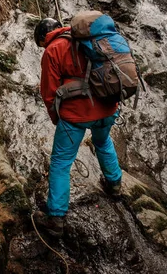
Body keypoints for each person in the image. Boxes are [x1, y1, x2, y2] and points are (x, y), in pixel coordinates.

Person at [32, 17, 123, 238]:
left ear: (44, 37)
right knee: (102, 141)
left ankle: (56, 219)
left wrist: (57, 118)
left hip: (76, 115)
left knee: (61, 162)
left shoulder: (53, 49)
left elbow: (49, 93)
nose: (43, 47)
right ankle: (115, 186)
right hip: (109, 107)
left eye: (41, 44)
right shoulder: (92, 39)